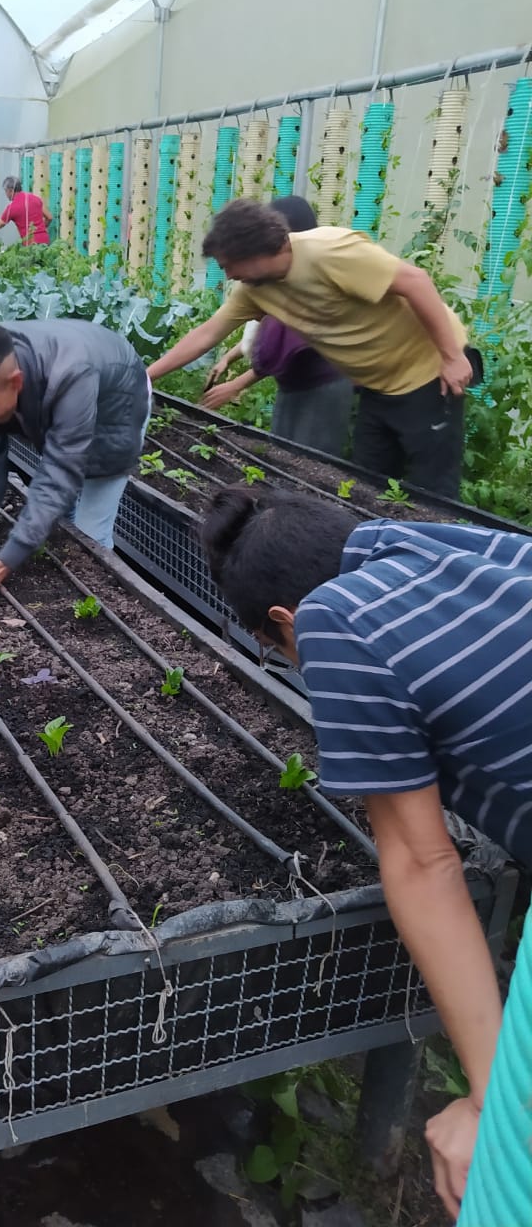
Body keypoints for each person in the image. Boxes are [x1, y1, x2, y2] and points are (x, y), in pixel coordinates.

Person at [200, 484, 532, 1221]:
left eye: (280, 652)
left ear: (284, 622)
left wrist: (492, 1096)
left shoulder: (331, 619)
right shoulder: (431, 545)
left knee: (506, 1173)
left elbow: (423, 862)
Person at [148, 198, 479, 498]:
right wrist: (144, 378)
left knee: (432, 491)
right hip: (376, 387)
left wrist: (452, 356)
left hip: (429, 373)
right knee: (367, 485)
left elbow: (415, 281)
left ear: (254, 251)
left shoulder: (329, 252)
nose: (229, 275)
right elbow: (206, 334)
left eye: (228, 265)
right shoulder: (253, 290)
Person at [0, 317, 150, 621]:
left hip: (118, 400)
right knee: (55, 516)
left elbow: (58, 476)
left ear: (17, 382)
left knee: (89, 535)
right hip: (77, 378)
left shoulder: (70, 373)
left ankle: (99, 612)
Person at [204, 196, 354, 456]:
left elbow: (291, 343)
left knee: (310, 463)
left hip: (323, 384)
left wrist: (235, 385)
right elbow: (256, 331)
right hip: (296, 384)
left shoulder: (311, 275)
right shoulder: (274, 277)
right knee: (284, 458)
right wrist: (228, 358)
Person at [0, 176, 51, 246]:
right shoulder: (35, 198)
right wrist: (40, 230)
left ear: (10, 190)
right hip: (45, 241)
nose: (6, 194)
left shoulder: (12, 208)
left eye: (5, 191)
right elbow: (49, 218)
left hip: (30, 244)